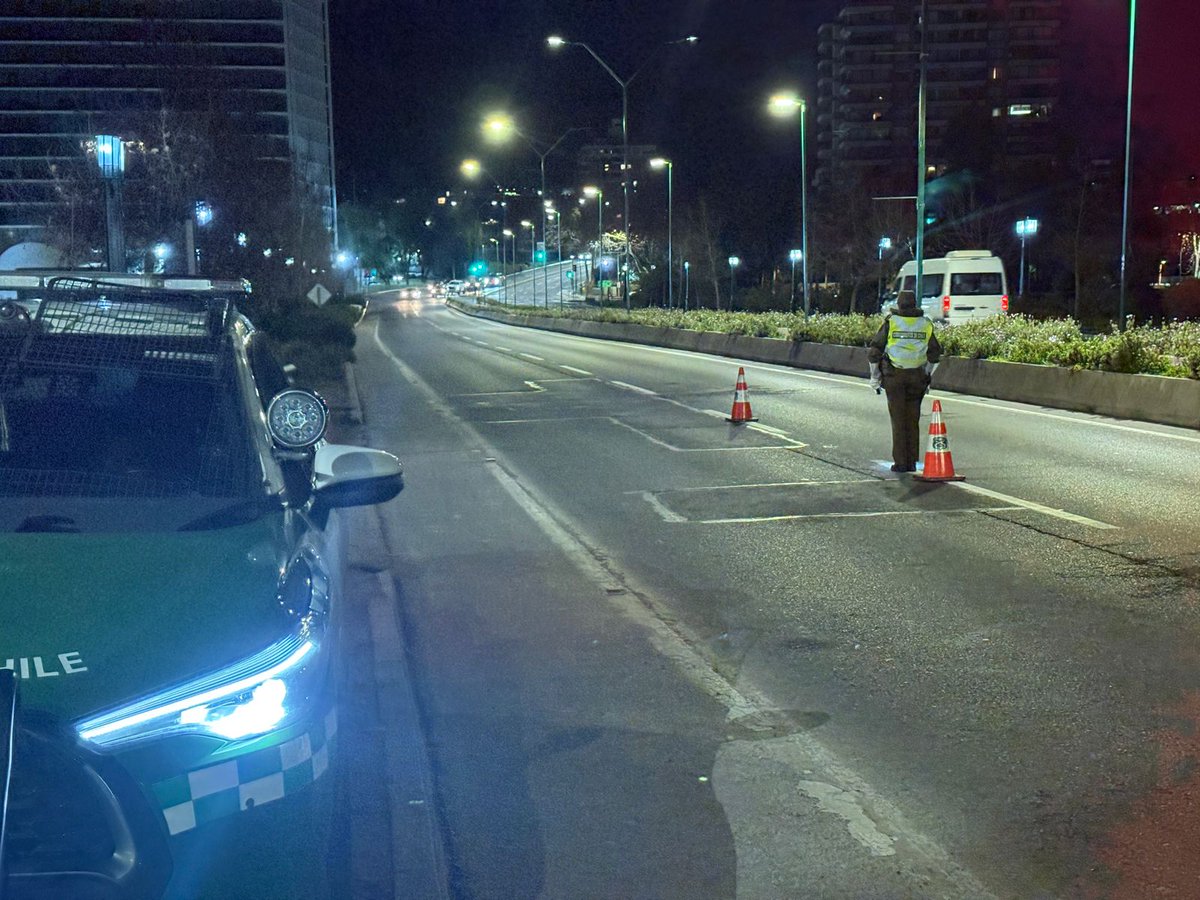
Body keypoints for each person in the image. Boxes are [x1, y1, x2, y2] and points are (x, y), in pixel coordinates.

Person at [867, 290, 941, 473]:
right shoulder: (925, 323)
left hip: (895, 377)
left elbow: (875, 351)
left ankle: (901, 463)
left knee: (899, 420)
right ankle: (911, 461)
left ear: (899, 304)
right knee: (912, 419)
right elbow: (934, 354)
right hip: (917, 377)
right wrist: (927, 375)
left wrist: (874, 378)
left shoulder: (892, 322)